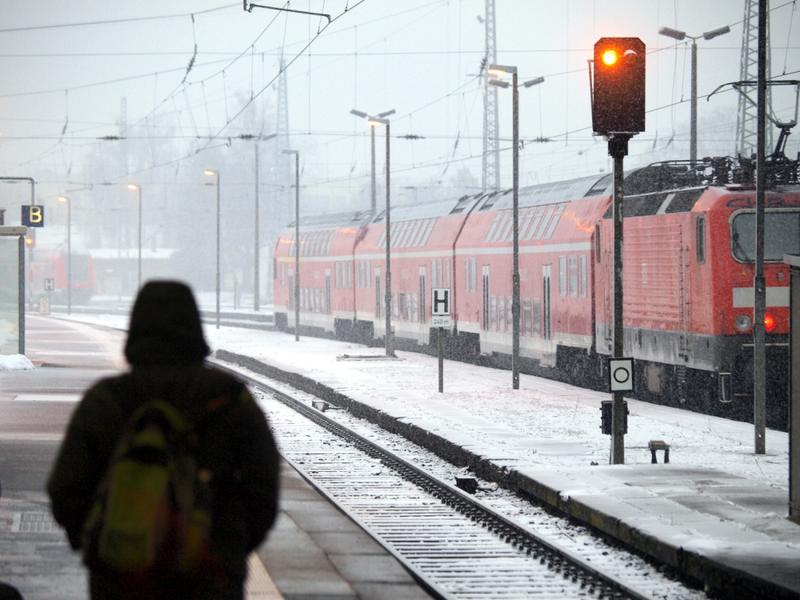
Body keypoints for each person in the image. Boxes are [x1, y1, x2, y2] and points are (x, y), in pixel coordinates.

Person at [47, 280, 280, 600]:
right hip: (210, 574)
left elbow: (66, 488)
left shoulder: (104, 400)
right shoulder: (230, 398)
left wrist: (99, 545)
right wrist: (230, 546)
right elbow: (264, 489)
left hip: (120, 577)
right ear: (195, 329)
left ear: (135, 330)